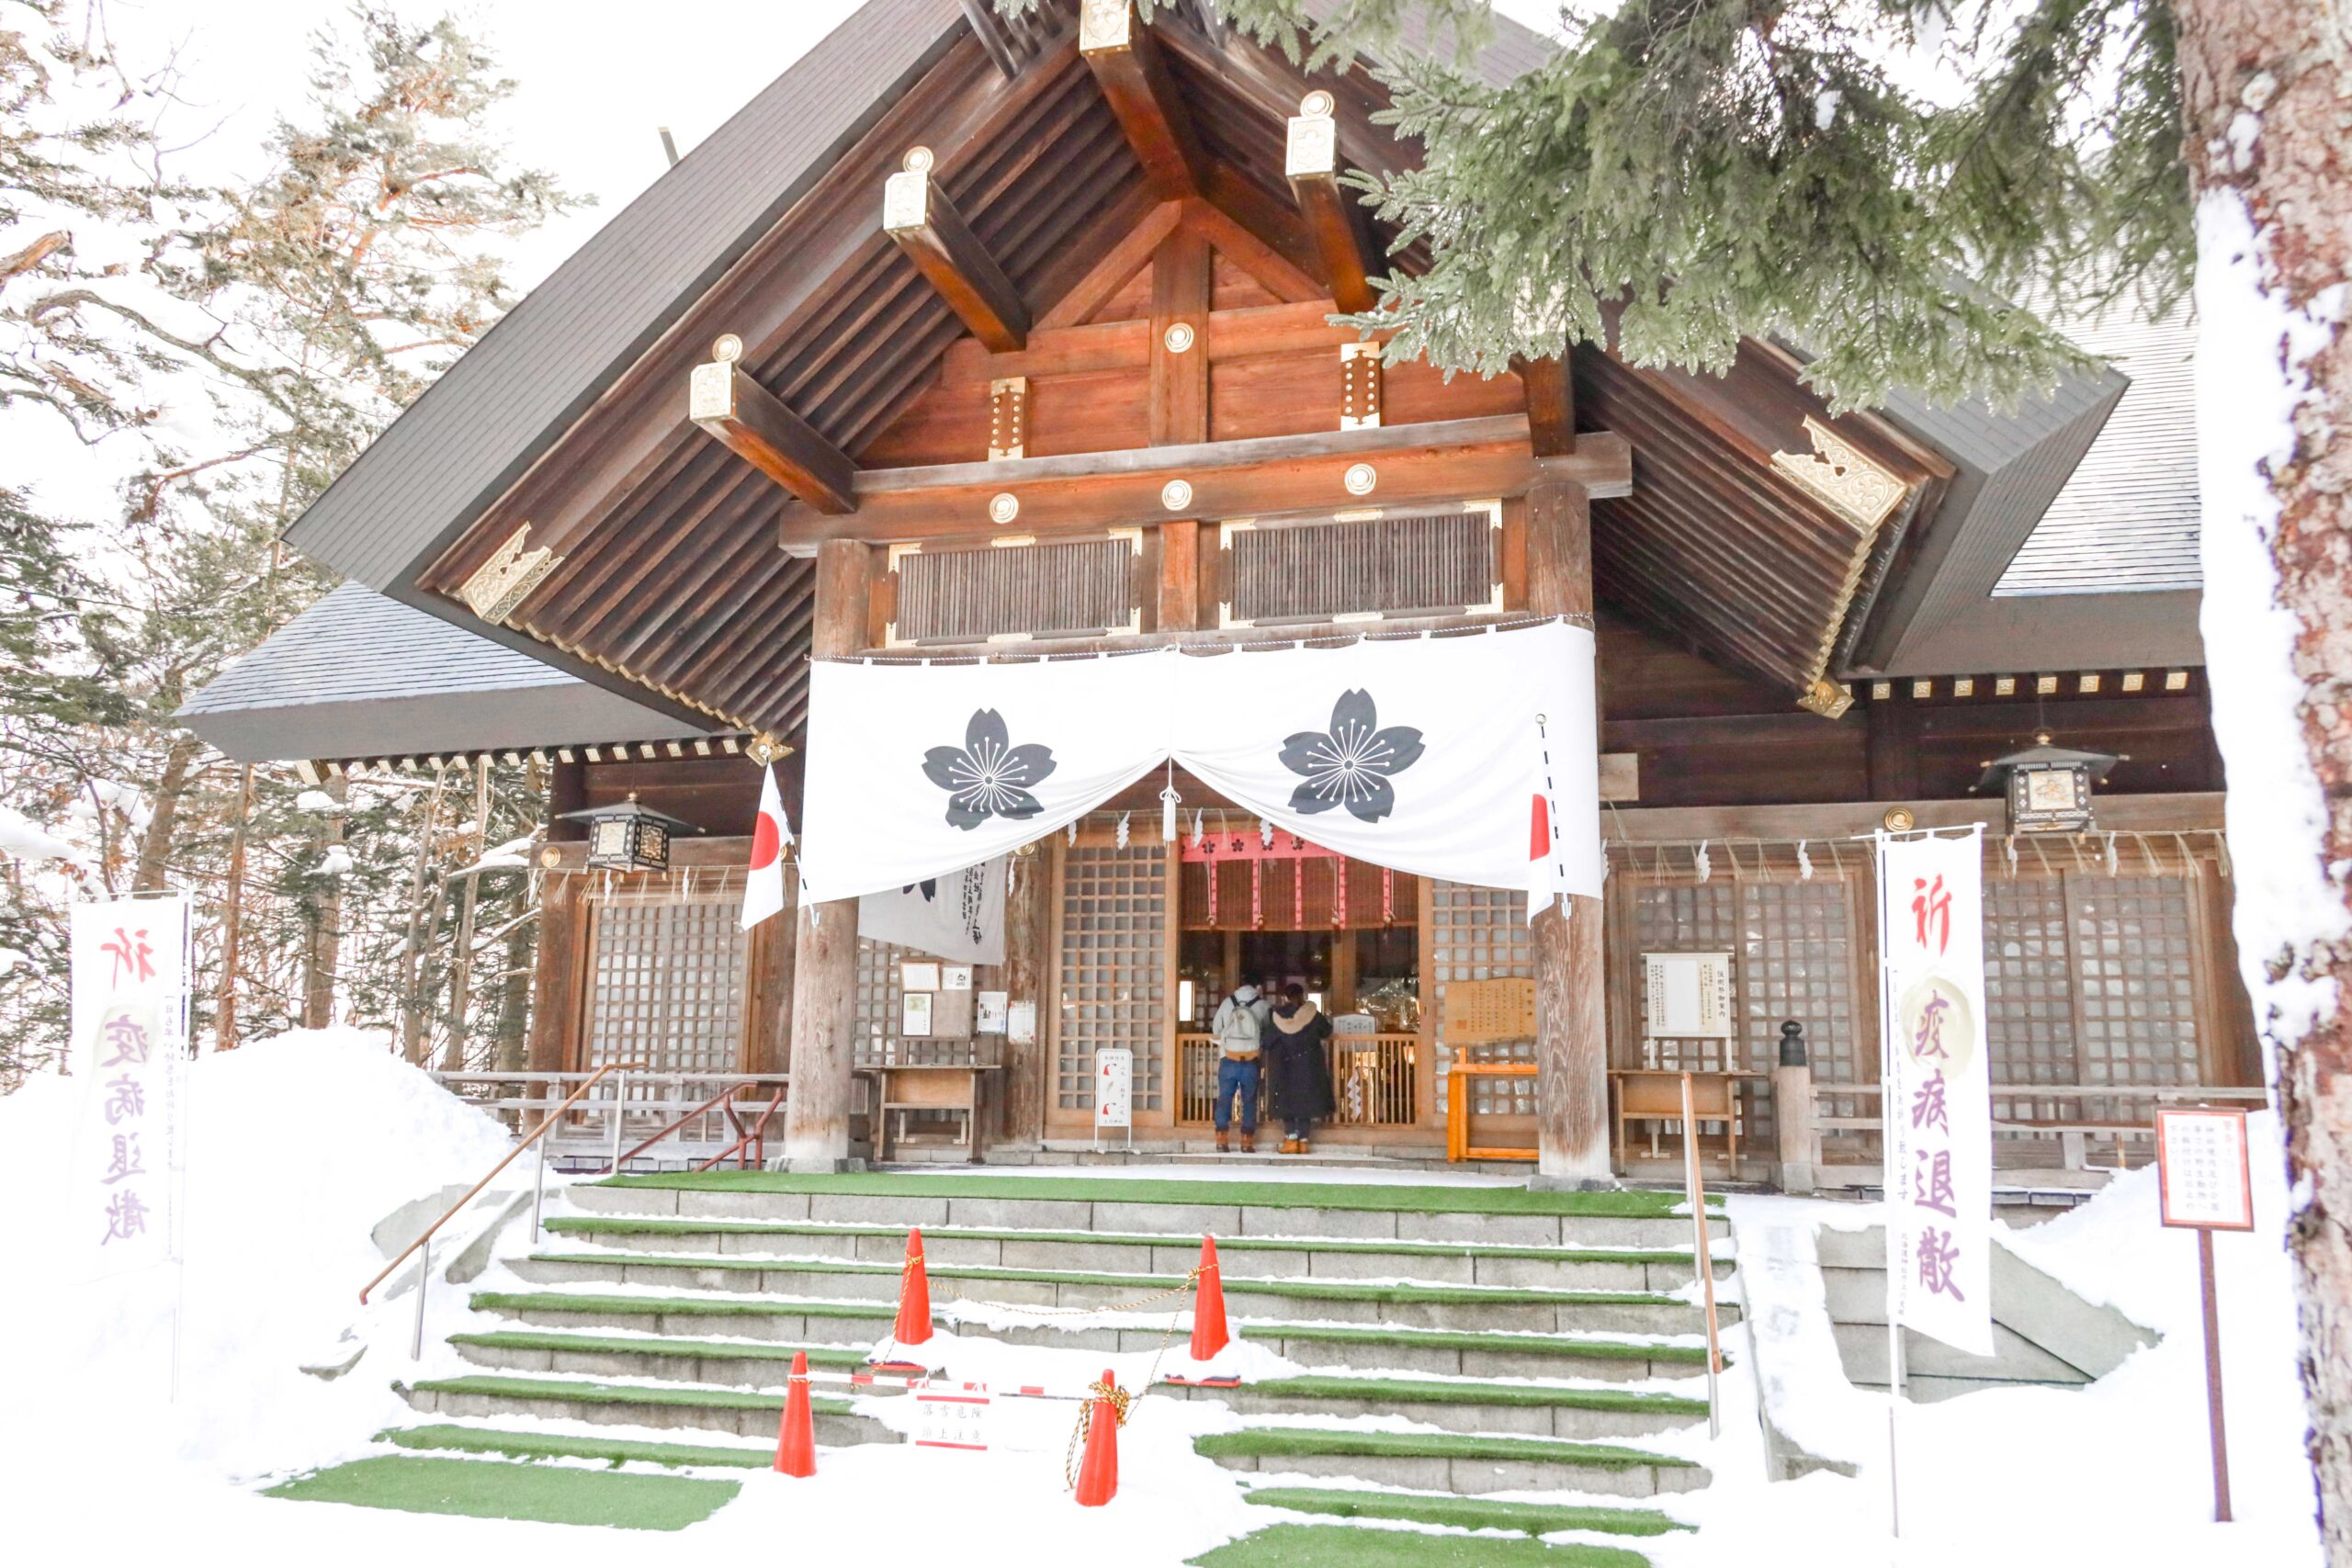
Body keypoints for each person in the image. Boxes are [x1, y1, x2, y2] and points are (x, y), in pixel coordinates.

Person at [1262, 983, 1335, 1155]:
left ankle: (1290, 1139)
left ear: (1286, 997)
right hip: (1309, 1065)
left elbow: (1267, 1041)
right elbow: (1326, 1031)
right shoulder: (1312, 1014)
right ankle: (1304, 1142)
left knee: (1285, 1100)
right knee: (1305, 1101)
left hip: (1284, 1065)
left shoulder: (1277, 1016)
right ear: (1303, 995)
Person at [1207, 982, 1269, 1152]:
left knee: (1224, 1098)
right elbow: (1269, 1031)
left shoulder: (1227, 1003)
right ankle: (1247, 1142)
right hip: (1251, 1059)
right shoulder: (1263, 1005)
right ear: (1257, 988)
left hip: (1228, 1057)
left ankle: (1221, 1140)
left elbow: (1216, 1028)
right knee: (1249, 1100)